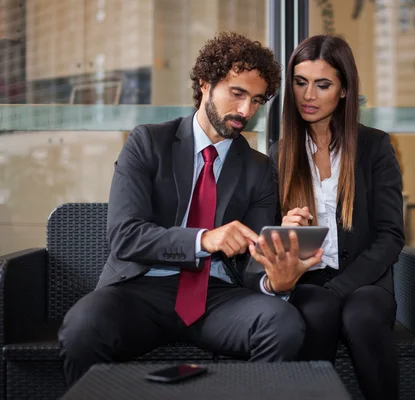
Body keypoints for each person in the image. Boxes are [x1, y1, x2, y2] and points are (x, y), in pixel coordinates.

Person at [58, 31, 323, 386]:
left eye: (257, 100)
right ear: (205, 83)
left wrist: (277, 277)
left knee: (282, 323)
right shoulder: (148, 143)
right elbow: (125, 236)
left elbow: (250, 267)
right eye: (237, 93)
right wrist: (205, 240)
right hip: (140, 290)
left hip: (220, 298)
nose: (246, 111)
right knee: (83, 327)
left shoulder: (259, 169)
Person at [250, 34, 405, 400]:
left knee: (362, 316)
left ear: (344, 90)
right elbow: (268, 235)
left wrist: (340, 288)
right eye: (301, 83)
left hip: (366, 281)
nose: (309, 96)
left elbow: (390, 236)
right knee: (316, 311)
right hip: (307, 280)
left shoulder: (374, 147)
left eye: (323, 85)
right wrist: (286, 231)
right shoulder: (281, 153)